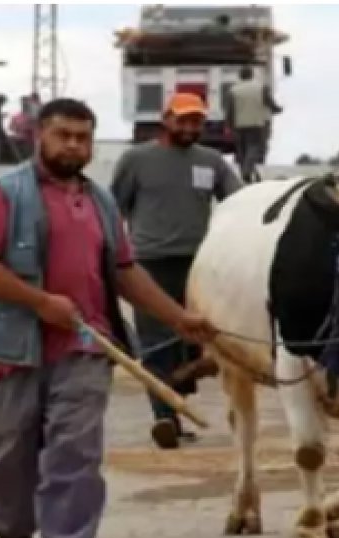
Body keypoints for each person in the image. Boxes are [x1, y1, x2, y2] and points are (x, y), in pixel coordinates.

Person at [0, 98, 218, 538]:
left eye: (83, 137)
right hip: (12, 347)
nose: (73, 145)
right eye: (63, 135)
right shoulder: (0, 194)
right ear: (39, 137)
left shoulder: (100, 201)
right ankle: (13, 529)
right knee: (8, 454)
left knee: (77, 449)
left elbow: (124, 270)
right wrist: (40, 301)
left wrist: (179, 318)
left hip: (86, 345)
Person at [111, 92, 242, 450]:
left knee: (198, 337)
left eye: (196, 121)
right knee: (156, 342)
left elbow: (238, 201)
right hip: (149, 265)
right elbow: (112, 211)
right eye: (182, 119)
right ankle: (165, 419)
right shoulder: (136, 160)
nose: (189, 127)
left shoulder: (212, 162)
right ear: (165, 120)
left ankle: (178, 388)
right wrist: (110, 256)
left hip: (200, 266)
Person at [223, 67, 282, 183]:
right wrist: (277, 109)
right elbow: (270, 103)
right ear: (251, 75)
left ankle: (246, 175)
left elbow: (229, 110)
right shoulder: (261, 88)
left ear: (240, 76)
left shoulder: (233, 91)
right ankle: (247, 171)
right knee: (253, 147)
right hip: (256, 123)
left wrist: (228, 125)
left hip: (238, 125)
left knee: (241, 151)